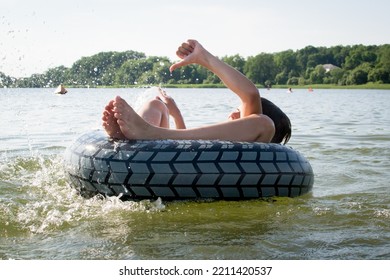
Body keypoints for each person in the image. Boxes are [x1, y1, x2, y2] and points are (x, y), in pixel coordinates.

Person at [102, 39, 291, 144]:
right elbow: (185, 145)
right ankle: (130, 138)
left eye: (242, 112)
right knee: (156, 105)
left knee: (263, 123)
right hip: (166, 151)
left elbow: (250, 95)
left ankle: (145, 132)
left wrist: (204, 58)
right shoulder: (220, 137)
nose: (234, 112)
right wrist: (176, 114)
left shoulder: (258, 140)